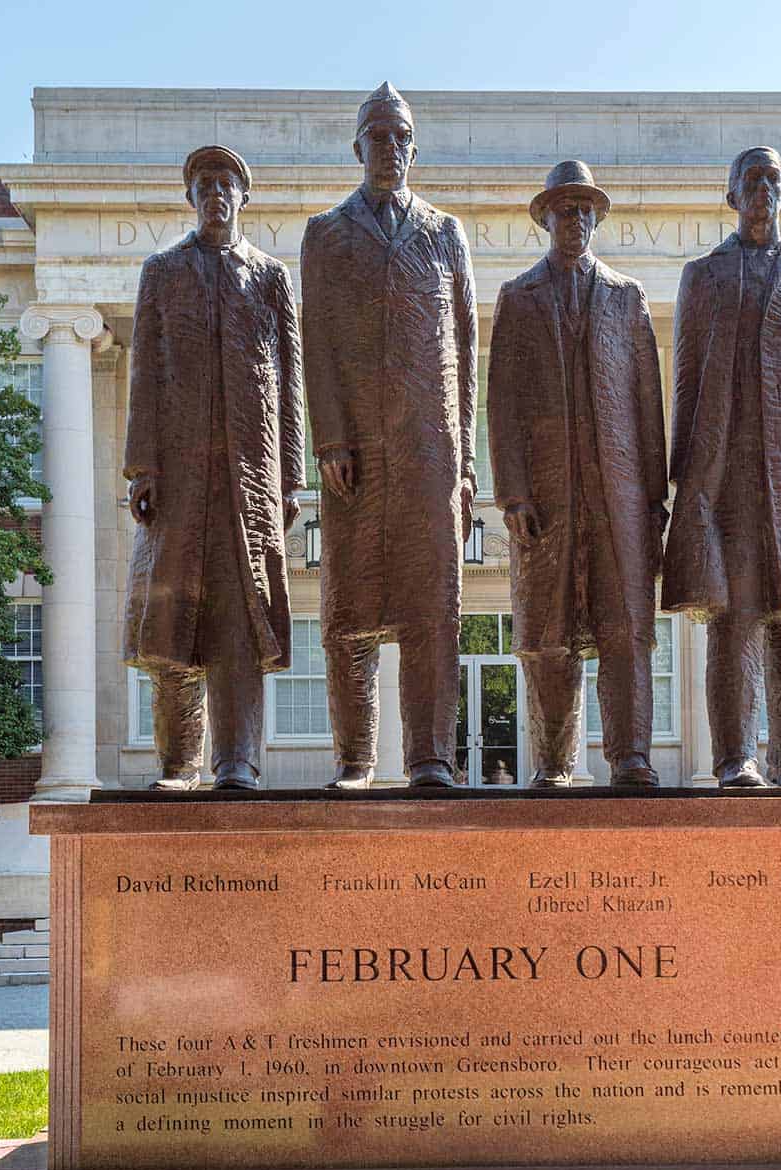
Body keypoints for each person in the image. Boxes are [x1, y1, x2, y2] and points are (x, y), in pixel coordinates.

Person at [301, 82, 479, 789]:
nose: (391, 149)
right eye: (379, 137)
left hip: (431, 452)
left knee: (433, 608)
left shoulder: (444, 233)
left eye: (401, 137)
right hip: (356, 456)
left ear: (413, 148)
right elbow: (315, 343)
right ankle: (354, 759)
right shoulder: (326, 233)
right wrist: (330, 440)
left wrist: (466, 466)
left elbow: (464, 350)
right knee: (348, 611)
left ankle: (430, 755)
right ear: (358, 148)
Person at [661, 146, 781, 788]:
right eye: (752, 180)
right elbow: (685, 376)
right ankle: (734, 759)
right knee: (733, 619)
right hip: (726, 475)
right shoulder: (703, 276)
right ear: (732, 196)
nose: (763, 189)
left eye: (774, 179)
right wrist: (683, 480)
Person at [123, 145, 304, 790]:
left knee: (239, 622)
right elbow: (144, 370)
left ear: (244, 196)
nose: (216, 193)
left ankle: (238, 761)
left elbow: (290, 383)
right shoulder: (162, 273)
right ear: (192, 196)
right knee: (171, 619)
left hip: (250, 479)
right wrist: (141, 465)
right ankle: (178, 764)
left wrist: (291, 478)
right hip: (178, 477)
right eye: (205, 183)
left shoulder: (271, 277)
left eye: (227, 183)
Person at [488, 160, 668, 787]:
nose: (577, 220)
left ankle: (630, 756)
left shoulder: (626, 297)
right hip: (545, 495)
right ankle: (555, 765)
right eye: (566, 210)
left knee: (627, 629)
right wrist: (511, 492)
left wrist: (654, 500)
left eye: (586, 209)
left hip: (618, 497)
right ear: (546, 219)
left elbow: (648, 405)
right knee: (547, 633)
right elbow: (501, 402)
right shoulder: (518, 297)